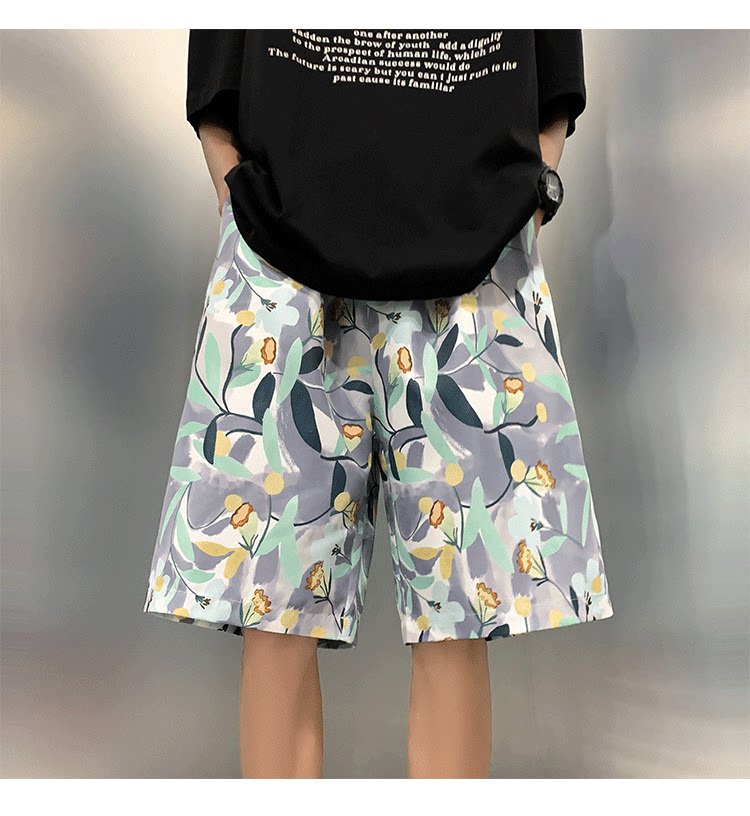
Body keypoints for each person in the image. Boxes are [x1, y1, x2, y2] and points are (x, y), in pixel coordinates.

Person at [142, 29, 614, 779]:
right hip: (281, 254)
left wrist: (531, 192)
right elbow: (216, 72)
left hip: (478, 257)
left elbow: (554, 67)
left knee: (461, 614)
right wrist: (237, 195)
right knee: (274, 612)